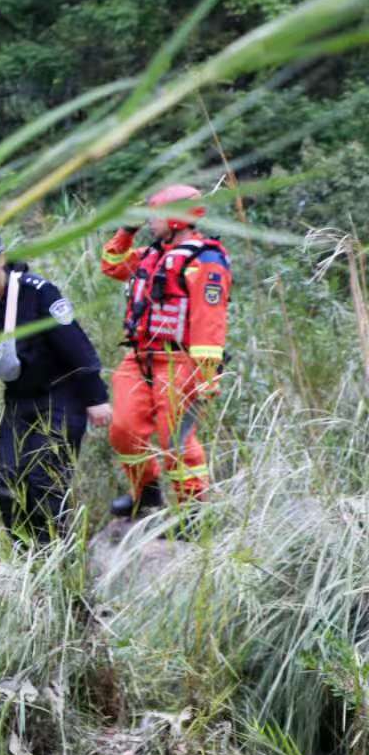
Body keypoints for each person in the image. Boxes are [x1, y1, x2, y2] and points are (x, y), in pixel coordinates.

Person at [0, 231, 112, 541]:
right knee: (8, 483)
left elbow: (76, 346)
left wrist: (96, 398)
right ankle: (24, 555)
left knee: (44, 480)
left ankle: (56, 557)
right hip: (19, 399)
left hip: (62, 395)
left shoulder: (38, 293)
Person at [98, 185, 232, 518]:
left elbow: (209, 324)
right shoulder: (151, 254)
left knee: (176, 440)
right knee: (123, 430)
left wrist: (206, 376)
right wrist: (126, 230)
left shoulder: (205, 261)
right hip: (139, 358)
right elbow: (112, 265)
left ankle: (193, 511)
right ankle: (146, 493)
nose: (150, 222)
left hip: (179, 361)